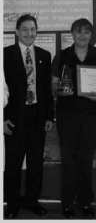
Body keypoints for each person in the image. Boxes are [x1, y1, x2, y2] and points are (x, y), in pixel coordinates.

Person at [52, 18, 96, 219]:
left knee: (86, 161)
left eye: (86, 32)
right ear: (72, 34)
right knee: (68, 161)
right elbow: (53, 86)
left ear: (91, 35)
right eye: (78, 32)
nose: (82, 35)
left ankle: (85, 202)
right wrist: (59, 91)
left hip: (93, 118)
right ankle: (67, 204)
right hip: (67, 117)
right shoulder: (62, 56)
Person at [4, 14, 54, 219]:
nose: (29, 33)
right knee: (13, 164)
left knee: (36, 164)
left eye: (32, 29)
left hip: (37, 118)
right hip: (14, 118)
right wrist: (2, 118)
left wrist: (50, 116)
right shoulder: (5, 54)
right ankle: (13, 203)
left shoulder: (44, 55)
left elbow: (46, 90)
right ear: (16, 31)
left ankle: (32, 201)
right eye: (24, 29)